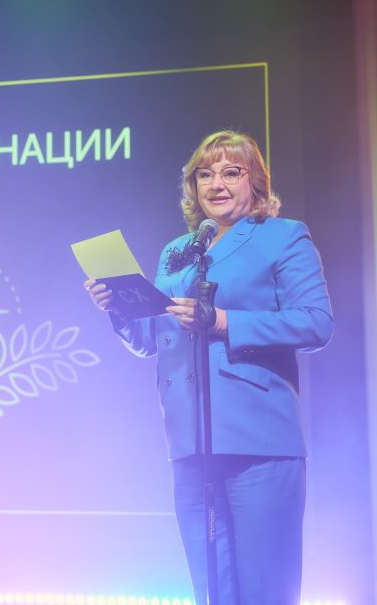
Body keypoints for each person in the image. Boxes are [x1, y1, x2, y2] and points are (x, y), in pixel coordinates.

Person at [84, 131, 333, 605]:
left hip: (258, 439)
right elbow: (152, 339)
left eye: (230, 172)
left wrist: (221, 321)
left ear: (255, 182)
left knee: (264, 589)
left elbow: (316, 323)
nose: (216, 184)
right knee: (211, 590)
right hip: (190, 441)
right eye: (205, 174)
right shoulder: (178, 250)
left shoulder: (283, 236)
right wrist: (119, 310)